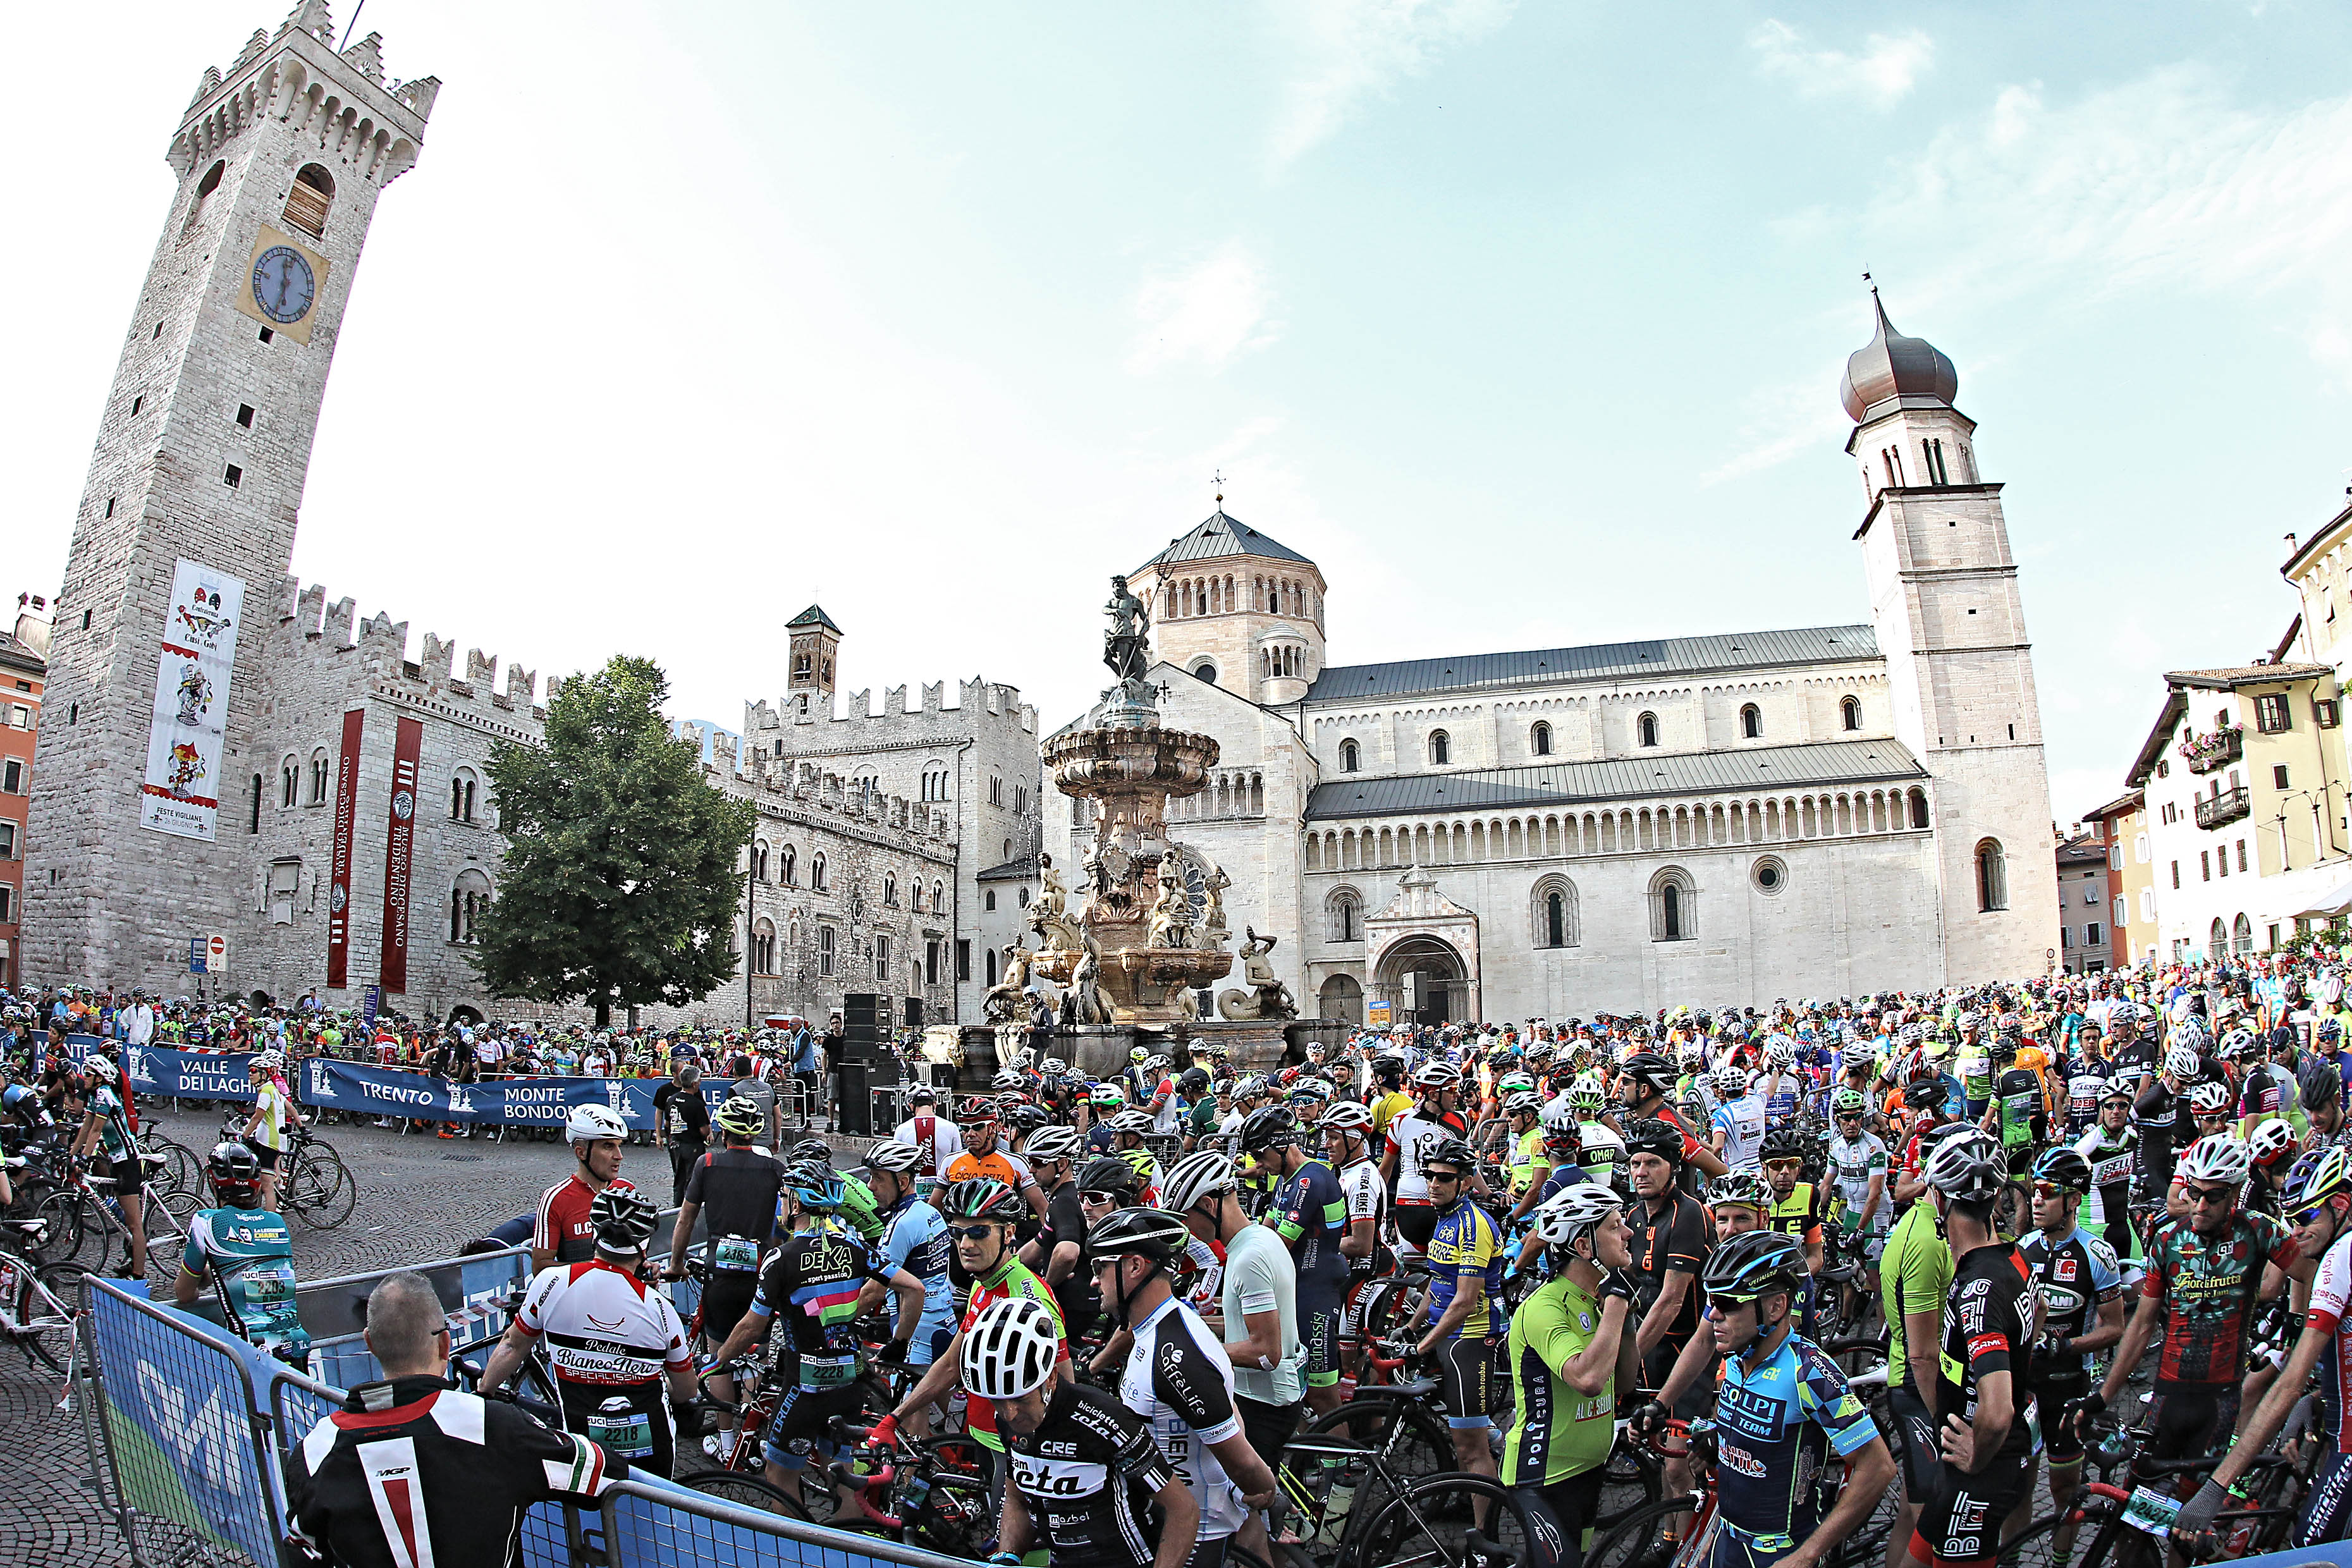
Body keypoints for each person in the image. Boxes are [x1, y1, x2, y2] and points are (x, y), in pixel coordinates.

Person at [286, 1271, 629, 1568]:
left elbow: (304, 1552)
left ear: (370, 1344)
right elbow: (606, 1469)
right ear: (445, 1343)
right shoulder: (490, 1424)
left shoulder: (315, 1451)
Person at [2074, 1134, 2313, 1467]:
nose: (2200, 1206)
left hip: (2222, 1397)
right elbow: (2142, 1325)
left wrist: (2299, 1327)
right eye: (2194, 1193)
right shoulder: (2168, 1240)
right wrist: (2104, 1395)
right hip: (2169, 1390)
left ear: (2233, 1193)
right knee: (2140, 1494)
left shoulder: (2259, 1230)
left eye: (2213, 1196)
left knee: (2192, 1508)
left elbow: (2315, 1274)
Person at [699, 1159, 928, 1508]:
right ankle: (850, 1544)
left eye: (785, 1195)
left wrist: (718, 1361)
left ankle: (799, 1550)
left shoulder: (781, 1258)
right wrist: (899, 1343)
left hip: (804, 1386)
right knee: (840, 1468)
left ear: (796, 1203)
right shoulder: (856, 1248)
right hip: (851, 1382)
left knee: (779, 1472)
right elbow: (914, 1289)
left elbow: (751, 1327)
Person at [1683, 1230, 1895, 1568]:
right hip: (1727, 1542)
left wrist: (1806, 1556)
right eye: (1712, 1303)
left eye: (1727, 1304)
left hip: (1782, 1553)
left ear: (1776, 1307)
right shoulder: (1736, 1360)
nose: (1714, 1316)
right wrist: (1718, 1444)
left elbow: (1879, 1467)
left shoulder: (1809, 1373)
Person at [1088, 1203, 1280, 1568]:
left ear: (1133, 1266)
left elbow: (1237, 1454)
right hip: (1163, 1517)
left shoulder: (1176, 1353)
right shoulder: (1158, 1328)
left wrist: (1265, 1490)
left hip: (1194, 1533)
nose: (1095, 1280)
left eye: (1101, 1267)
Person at [2181, 1146, 2352, 1546]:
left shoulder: (2338, 1259)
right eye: (2290, 1218)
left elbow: (2289, 1383)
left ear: (2341, 1204)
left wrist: (2218, 1486)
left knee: (2306, 1551)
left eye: (2307, 1217)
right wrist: (2318, 1399)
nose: (2295, 1231)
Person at [968, 1294, 1199, 1568]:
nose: (1009, 1414)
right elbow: (1018, 1500)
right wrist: (1008, 1555)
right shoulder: (1010, 1420)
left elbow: (1183, 1510)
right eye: (996, 1400)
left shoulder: (1104, 1418)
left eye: (1020, 1398)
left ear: (1051, 1377)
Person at [482, 1187, 697, 1478]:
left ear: (595, 1236)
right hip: (650, 1451)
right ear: (643, 1248)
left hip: (583, 1450)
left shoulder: (552, 1282)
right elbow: (686, 1390)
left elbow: (512, 1345)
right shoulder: (659, 1308)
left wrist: (484, 1395)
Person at [877, 1178, 1070, 1489]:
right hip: (981, 1434)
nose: (966, 1244)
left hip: (1015, 1448)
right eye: (958, 1232)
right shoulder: (982, 1284)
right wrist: (895, 1417)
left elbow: (1062, 1381)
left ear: (1008, 1233)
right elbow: (953, 1362)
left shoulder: (1028, 1297)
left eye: (979, 1232)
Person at [1908, 1130, 2036, 1568]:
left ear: (1940, 1201)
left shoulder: (1978, 1289)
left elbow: (1998, 1410)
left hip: (1977, 1476)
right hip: (1966, 1470)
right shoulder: (2015, 1258)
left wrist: (1977, 1454)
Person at [1505, 1184, 1639, 1568]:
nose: (1628, 1233)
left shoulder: (1595, 1300)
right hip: (1545, 1474)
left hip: (1588, 1469)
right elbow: (1588, 1379)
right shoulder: (1546, 1306)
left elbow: (1624, 1383)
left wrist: (1624, 1320)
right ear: (1583, 1246)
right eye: (1615, 1227)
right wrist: (1616, 1304)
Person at [2009, 1146, 2124, 1558]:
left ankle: (2060, 1562)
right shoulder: (2023, 1248)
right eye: (2032, 1191)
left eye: (2047, 1191)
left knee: (2065, 1491)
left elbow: (2115, 1328)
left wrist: (2066, 1344)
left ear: (2074, 1199)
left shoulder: (2098, 1255)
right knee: (2019, 1487)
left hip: (2068, 1387)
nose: (2036, 1199)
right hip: (2027, 1389)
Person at [659, 1095, 781, 1457]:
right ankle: (751, 1439)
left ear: (724, 1132)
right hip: (762, 1274)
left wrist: (678, 1262)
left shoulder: (707, 1163)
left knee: (721, 1358)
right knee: (755, 1355)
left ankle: (727, 1441)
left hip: (721, 1275)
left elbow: (686, 1219)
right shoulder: (774, 1169)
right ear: (756, 1134)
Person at [1412, 1137, 1505, 1494]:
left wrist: (1423, 1345)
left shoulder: (1474, 1225)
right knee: (1462, 1425)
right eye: (1429, 1175)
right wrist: (1412, 1326)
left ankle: (1487, 1539)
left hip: (1471, 1336)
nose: (1434, 1184)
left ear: (1465, 1182)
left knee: (1471, 1448)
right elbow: (1439, 1283)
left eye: (1444, 1178)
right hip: (1447, 1331)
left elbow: (1465, 1300)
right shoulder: (1445, 1218)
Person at [1245, 1106, 1346, 1421]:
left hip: (1316, 1292)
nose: (1258, 1164)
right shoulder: (1285, 1181)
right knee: (1299, 1392)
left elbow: (1278, 1245)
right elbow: (1264, 1233)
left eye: (1260, 1154)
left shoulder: (1311, 1179)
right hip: (1298, 1288)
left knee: (1321, 1394)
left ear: (1281, 1145)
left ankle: (1340, 1466)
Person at [173, 1141, 309, 1362]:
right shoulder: (276, 1221)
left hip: (250, 1351)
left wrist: (206, 1276)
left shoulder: (207, 1222)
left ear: (212, 1181)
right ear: (256, 1185)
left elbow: (184, 1293)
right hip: (295, 1343)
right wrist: (217, 1272)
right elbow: (255, 1268)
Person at [68, 1048, 148, 1279]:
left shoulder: (104, 1094)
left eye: (89, 1074)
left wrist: (84, 1158)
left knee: (134, 1224)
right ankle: (132, 1258)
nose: (84, 1078)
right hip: (118, 1160)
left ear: (101, 1077)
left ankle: (139, 1273)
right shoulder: (95, 1095)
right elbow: (85, 1129)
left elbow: (95, 1131)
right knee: (124, 1215)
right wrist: (71, 1154)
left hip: (128, 1161)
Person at [532, 1105, 636, 1272]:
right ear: (581, 1153)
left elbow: (640, 1251)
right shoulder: (556, 1198)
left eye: (619, 1146)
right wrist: (597, 1271)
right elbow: (540, 1267)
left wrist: (648, 1267)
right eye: (608, 1146)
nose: (619, 1156)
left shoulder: (627, 1190)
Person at [239, 1050, 293, 1211]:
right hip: (270, 1137)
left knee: (267, 1185)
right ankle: (279, 1189)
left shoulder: (270, 1089)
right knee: (268, 1178)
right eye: (249, 1071)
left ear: (264, 1073)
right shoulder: (270, 1087)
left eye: (254, 1071)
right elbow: (289, 1108)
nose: (250, 1074)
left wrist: (244, 1135)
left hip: (272, 1139)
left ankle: (271, 1218)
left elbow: (258, 1117)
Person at [651, 1060, 709, 1206]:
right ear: (694, 1084)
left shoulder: (671, 1100)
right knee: (693, 1180)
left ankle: (677, 1208)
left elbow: (667, 1123)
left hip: (676, 1144)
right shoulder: (695, 1103)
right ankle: (692, 1209)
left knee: (679, 1179)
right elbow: (704, 1130)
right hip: (693, 1145)